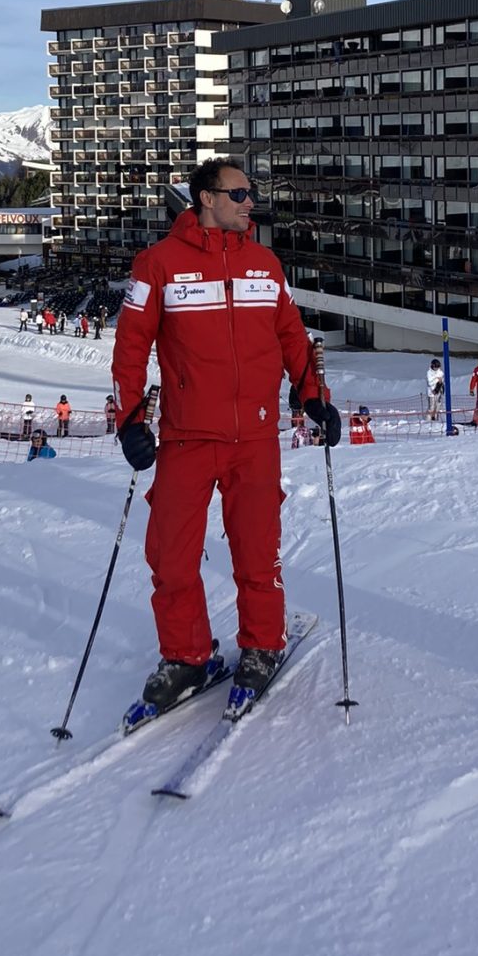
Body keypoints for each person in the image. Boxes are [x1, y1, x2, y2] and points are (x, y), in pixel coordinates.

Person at [112, 156, 337, 710]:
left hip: (255, 438)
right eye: (239, 193)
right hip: (188, 436)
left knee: (257, 552)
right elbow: (131, 346)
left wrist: (314, 397)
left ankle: (262, 645)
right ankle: (186, 657)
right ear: (205, 198)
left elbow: (292, 336)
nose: (250, 202)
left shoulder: (265, 264)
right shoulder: (157, 264)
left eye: (251, 192)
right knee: (171, 556)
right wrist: (129, 419)